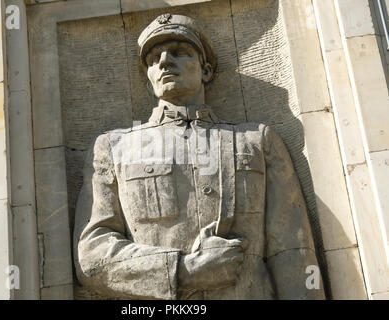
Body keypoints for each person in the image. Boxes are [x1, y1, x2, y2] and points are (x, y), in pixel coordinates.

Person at [74, 13, 325, 299]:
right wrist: (184, 270)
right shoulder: (114, 148)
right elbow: (92, 255)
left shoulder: (257, 140)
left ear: (205, 71)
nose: (165, 61)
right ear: (148, 82)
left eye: (180, 52)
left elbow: (293, 250)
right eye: (154, 59)